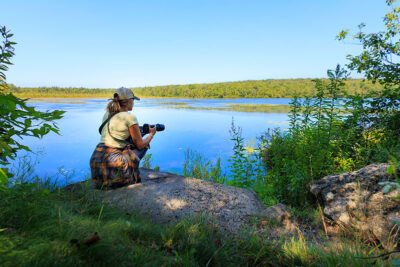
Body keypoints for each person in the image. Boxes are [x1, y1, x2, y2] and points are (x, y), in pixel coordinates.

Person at [90, 87, 156, 189]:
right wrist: (151, 134)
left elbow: (117, 135)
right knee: (144, 144)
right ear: (129, 102)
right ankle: (130, 176)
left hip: (96, 159)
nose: (133, 103)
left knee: (131, 144)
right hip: (114, 162)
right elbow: (139, 145)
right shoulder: (129, 117)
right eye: (133, 100)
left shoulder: (107, 114)